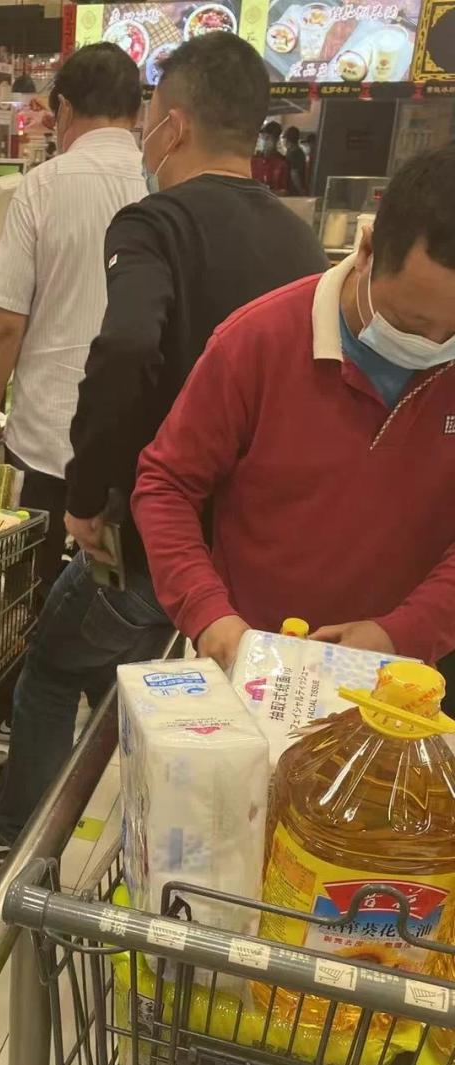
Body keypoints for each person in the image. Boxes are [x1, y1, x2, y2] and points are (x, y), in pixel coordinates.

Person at [0, 32, 327, 866]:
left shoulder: (157, 222)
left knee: (51, 664)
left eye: (154, 117)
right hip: (245, 548)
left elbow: (122, 350)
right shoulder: (300, 244)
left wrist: (89, 497)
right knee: (138, 669)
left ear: (174, 125)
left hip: (154, 533)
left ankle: (19, 839)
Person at [132, 144, 455, 674]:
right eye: (413, 324)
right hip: (256, 661)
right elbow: (166, 485)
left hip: (402, 673)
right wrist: (209, 613)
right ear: (367, 249)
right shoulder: (256, 342)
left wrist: (402, 632)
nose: (435, 344)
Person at [0, 42, 147, 738]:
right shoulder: (162, 182)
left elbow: (3, 326)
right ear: (138, 111)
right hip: (132, 443)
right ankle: (110, 716)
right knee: (114, 584)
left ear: (65, 108)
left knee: (27, 584)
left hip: (43, 438)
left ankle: (14, 713)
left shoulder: (42, 186)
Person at [251, 119, 289, 193]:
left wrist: (270, 192)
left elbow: (284, 190)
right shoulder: (254, 160)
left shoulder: (282, 163)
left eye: (268, 138)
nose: (265, 141)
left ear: (276, 140)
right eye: (263, 137)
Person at [283, 124, 308, 195]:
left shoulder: (295, 154)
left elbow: (294, 173)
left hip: (294, 190)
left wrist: (301, 190)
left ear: (287, 140)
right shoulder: (294, 152)